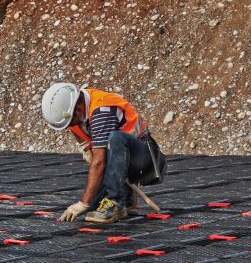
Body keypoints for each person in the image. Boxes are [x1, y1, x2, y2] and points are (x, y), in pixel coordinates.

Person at [42, 81, 168, 225]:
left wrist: (83, 203)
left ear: (77, 109)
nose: (70, 126)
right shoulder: (74, 111)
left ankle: (116, 202)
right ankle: (125, 196)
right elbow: (79, 132)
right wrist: (86, 148)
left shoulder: (102, 111)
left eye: (70, 122)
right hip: (119, 157)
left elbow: (100, 161)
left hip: (143, 157)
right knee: (94, 206)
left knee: (116, 138)